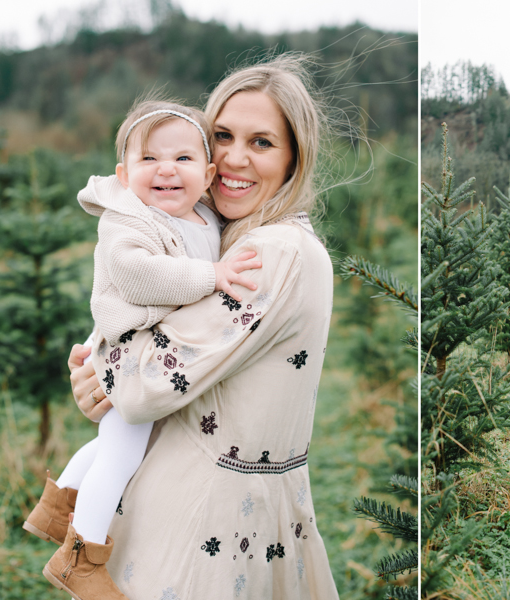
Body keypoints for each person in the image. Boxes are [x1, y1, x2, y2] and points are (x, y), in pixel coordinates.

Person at [62, 55, 341, 599]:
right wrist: (102, 371)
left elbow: (144, 386)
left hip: (204, 528)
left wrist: (103, 365)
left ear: (293, 159)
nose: (236, 158)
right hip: (195, 514)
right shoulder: (223, 237)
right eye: (223, 136)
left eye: (261, 142)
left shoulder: (273, 253)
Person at [22, 100, 261, 599]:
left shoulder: (202, 217)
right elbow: (137, 273)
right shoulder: (127, 221)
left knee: (116, 443)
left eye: (183, 159)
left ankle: (59, 504)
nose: (166, 170)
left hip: (148, 352)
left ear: (209, 173)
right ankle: (80, 557)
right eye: (148, 159)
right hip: (127, 349)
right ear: (124, 174)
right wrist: (211, 276)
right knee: (123, 449)